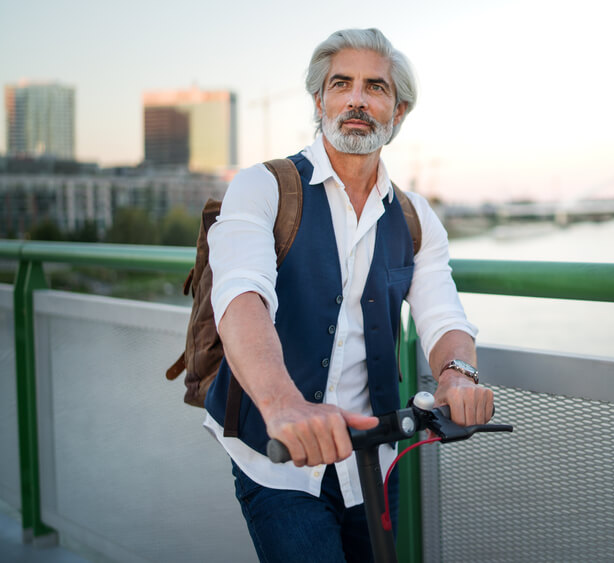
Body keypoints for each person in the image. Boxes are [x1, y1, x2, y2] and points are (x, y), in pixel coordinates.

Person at [201, 28, 493, 562]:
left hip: (375, 462)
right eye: (342, 84)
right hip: (279, 457)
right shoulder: (262, 187)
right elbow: (242, 298)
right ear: (320, 100)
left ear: (397, 111)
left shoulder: (414, 216)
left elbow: (443, 316)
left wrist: (457, 374)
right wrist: (283, 404)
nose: (357, 99)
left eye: (375, 87)